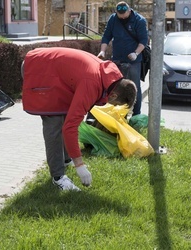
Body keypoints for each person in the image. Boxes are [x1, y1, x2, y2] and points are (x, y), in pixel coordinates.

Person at [22, 47, 137, 191]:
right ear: (113, 96)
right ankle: (58, 177)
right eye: (115, 104)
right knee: (54, 123)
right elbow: (70, 127)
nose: (111, 105)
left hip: (51, 67)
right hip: (38, 68)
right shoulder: (91, 84)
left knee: (63, 116)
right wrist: (80, 165)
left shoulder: (111, 77)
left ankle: (65, 160)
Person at [97, 1, 148, 116]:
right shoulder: (113, 19)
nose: (122, 16)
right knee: (117, 88)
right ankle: (119, 114)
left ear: (129, 10)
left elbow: (143, 40)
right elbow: (106, 36)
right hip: (118, 59)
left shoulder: (139, 20)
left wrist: (136, 53)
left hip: (134, 60)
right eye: (120, 14)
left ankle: (136, 114)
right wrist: (102, 50)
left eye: (124, 14)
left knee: (134, 87)